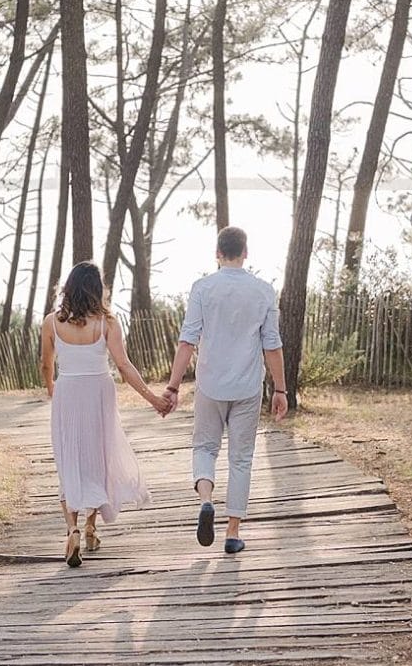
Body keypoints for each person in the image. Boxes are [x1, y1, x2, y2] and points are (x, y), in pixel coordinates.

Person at [161, 227, 288, 554]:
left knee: (204, 447)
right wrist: (280, 390)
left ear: (217, 252)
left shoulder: (203, 288)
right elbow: (271, 344)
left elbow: (187, 340)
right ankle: (233, 533)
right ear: (246, 252)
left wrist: (173, 386)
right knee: (241, 459)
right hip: (247, 386)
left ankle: (206, 501)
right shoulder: (263, 291)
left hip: (210, 385)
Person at [40, 261, 166, 568]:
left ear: (68, 287)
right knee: (98, 458)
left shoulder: (51, 322)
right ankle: (91, 528)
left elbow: (46, 364)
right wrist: (153, 399)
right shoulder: (107, 322)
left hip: (68, 392)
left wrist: (52, 389)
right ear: (98, 289)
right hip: (99, 391)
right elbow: (123, 365)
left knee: (70, 460)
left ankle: (72, 529)